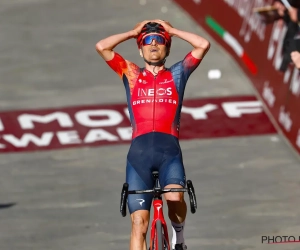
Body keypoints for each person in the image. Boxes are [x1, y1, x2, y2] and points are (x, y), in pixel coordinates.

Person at [95, 19, 210, 250]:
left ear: (167, 48)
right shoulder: (131, 73)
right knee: (139, 223)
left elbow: (203, 44)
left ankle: (179, 237)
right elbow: (102, 47)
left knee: (175, 199)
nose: (154, 44)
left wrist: (174, 30)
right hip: (139, 156)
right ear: (140, 49)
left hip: (169, 153)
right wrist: (132, 32)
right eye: (147, 41)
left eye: (160, 41)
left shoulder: (178, 74)